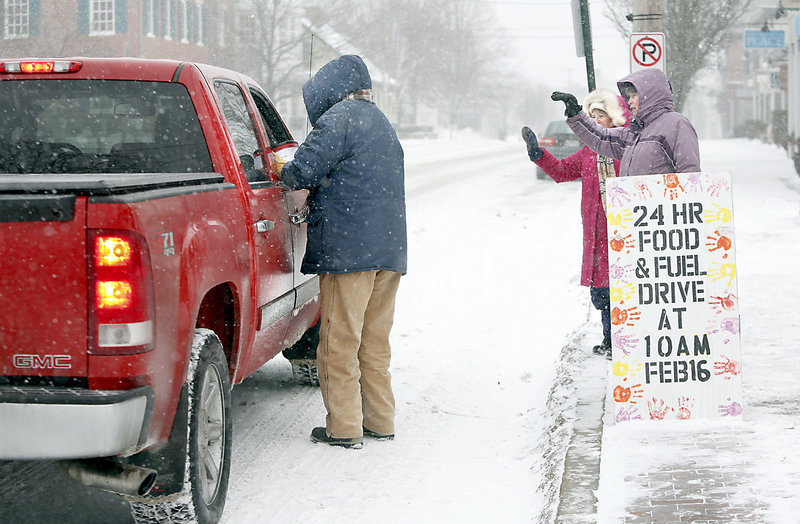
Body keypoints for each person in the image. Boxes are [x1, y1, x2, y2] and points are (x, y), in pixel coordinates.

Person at [275, 55, 407, 449]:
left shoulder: (339, 119)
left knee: (338, 341)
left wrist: (283, 165)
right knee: (374, 341)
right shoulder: (382, 122)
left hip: (350, 253)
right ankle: (381, 420)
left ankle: (344, 427)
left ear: (329, 91)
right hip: (388, 251)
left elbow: (300, 172)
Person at [521, 89, 631, 358]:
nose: (594, 121)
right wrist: (538, 154)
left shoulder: (627, 149)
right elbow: (560, 172)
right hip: (597, 235)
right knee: (603, 293)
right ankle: (609, 338)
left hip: (625, 232)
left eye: (600, 116)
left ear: (614, 119)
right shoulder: (587, 153)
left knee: (625, 289)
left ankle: (623, 338)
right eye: (591, 116)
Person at [551, 68, 701, 177]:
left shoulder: (676, 124)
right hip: (637, 215)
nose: (629, 101)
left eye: (634, 95)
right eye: (628, 96)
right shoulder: (634, 133)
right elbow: (602, 137)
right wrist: (576, 115)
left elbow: (689, 174)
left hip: (663, 215)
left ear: (650, 95)